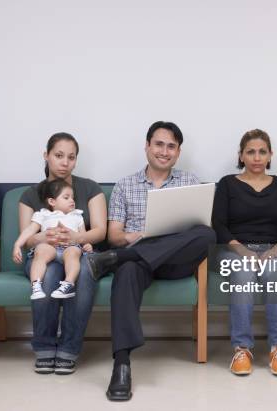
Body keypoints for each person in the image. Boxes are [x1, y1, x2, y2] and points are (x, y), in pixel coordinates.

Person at [86, 121, 216, 401]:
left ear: (178, 152)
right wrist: (141, 237)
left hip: (175, 262)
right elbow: (114, 234)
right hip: (139, 261)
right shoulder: (125, 185)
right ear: (147, 146)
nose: (164, 151)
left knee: (207, 234)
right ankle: (121, 365)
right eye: (159, 144)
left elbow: (198, 230)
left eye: (171, 146)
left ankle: (113, 260)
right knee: (127, 272)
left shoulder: (190, 182)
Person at [212, 129, 277, 377]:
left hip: (271, 251)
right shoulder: (227, 184)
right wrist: (243, 252)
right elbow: (218, 225)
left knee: (275, 273)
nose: (256, 157)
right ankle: (242, 349)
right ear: (241, 155)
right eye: (250, 152)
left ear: (270, 155)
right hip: (234, 250)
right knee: (242, 274)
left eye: (262, 152)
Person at [19, 132, 107, 375]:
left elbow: (99, 231)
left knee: (84, 271)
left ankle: (69, 348)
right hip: (43, 254)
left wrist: (76, 238)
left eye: (71, 157)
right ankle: (44, 347)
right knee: (48, 275)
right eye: (58, 155)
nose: (64, 162)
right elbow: (27, 240)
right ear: (46, 155)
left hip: (78, 252)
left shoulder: (90, 188)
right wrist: (46, 237)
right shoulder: (30, 194)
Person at [14, 179, 93, 299]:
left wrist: (87, 244)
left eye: (73, 198)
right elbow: (29, 230)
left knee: (73, 252)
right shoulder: (44, 214)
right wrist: (17, 245)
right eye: (66, 197)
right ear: (52, 201)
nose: (72, 200)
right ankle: (36, 285)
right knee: (41, 250)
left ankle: (68, 283)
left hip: (69, 247)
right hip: (50, 247)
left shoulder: (77, 216)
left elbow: (82, 235)